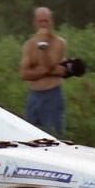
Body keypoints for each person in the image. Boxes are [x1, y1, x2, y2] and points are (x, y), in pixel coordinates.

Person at [19, 7, 67, 136]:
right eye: (40, 21)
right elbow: (24, 73)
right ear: (34, 23)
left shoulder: (59, 43)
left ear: (51, 22)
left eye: (46, 21)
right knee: (30, 135)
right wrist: (48, 71)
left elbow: (50, 65)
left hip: (52, 94)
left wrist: (42, 46)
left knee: (53, 134)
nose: (43, 25)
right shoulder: (29, 45)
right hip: (34, 96)